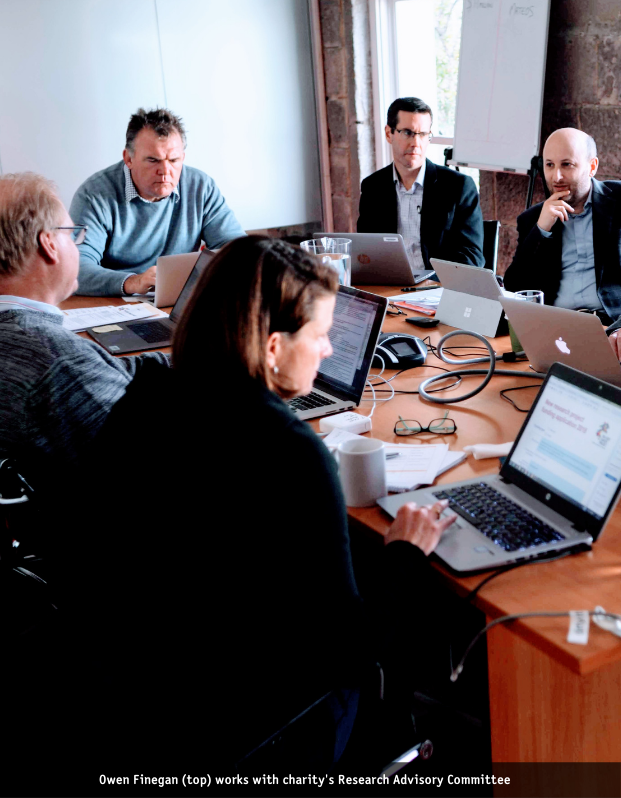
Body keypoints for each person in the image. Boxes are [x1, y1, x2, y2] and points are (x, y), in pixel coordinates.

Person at [49, 236, 456, 782]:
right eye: (320, 335)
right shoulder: (287, 451)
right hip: (248, 733)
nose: (330, 351)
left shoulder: (145, 399)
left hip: (121, 700)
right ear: (271, 348)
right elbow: (349, 652)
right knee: (416, 608)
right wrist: (405, 550)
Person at [0, 172, 169, 470]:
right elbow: (156, 457)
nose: (77, 244)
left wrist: (207, 360)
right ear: (49, 243)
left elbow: (105, 369)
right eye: (71, 234)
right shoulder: (57, 363)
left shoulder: (27, 339)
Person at [70, 107, 244, 296]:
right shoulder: (94, 194)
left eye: (174, 160)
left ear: (183, 158)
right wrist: (132, 282)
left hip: (179, 300)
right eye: (153, 160)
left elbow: (237, 249)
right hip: (116, 302)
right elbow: (75, 268)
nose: (165, 171)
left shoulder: (201, 187)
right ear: (129, 158)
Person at [504, 128, 621, 330]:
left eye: (567, 165)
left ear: (592, 166)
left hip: (612, 327)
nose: (556, 176)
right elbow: (515, 287)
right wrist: (541, 229)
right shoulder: (533, 219)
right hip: (557, 328)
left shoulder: (618, 201)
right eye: (549, 165)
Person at [357, 97, 484, 269]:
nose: (416, 143)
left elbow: (472, 257)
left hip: (438, 288)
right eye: (407, 133)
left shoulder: (458, 187)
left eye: (423, 134)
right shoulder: (373, 187)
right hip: (391, 286)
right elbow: (366, 253)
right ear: (389, 134)